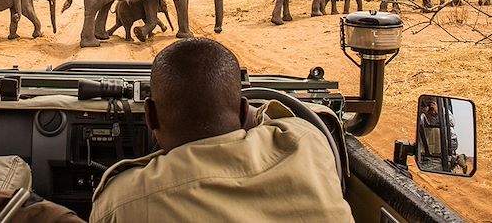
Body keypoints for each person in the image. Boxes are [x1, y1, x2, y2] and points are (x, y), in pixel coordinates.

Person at [90, 38, 354, 222]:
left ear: (149, 116)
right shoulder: (306, 141)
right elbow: (273, 117)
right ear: (242, 111)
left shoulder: (120, 203)